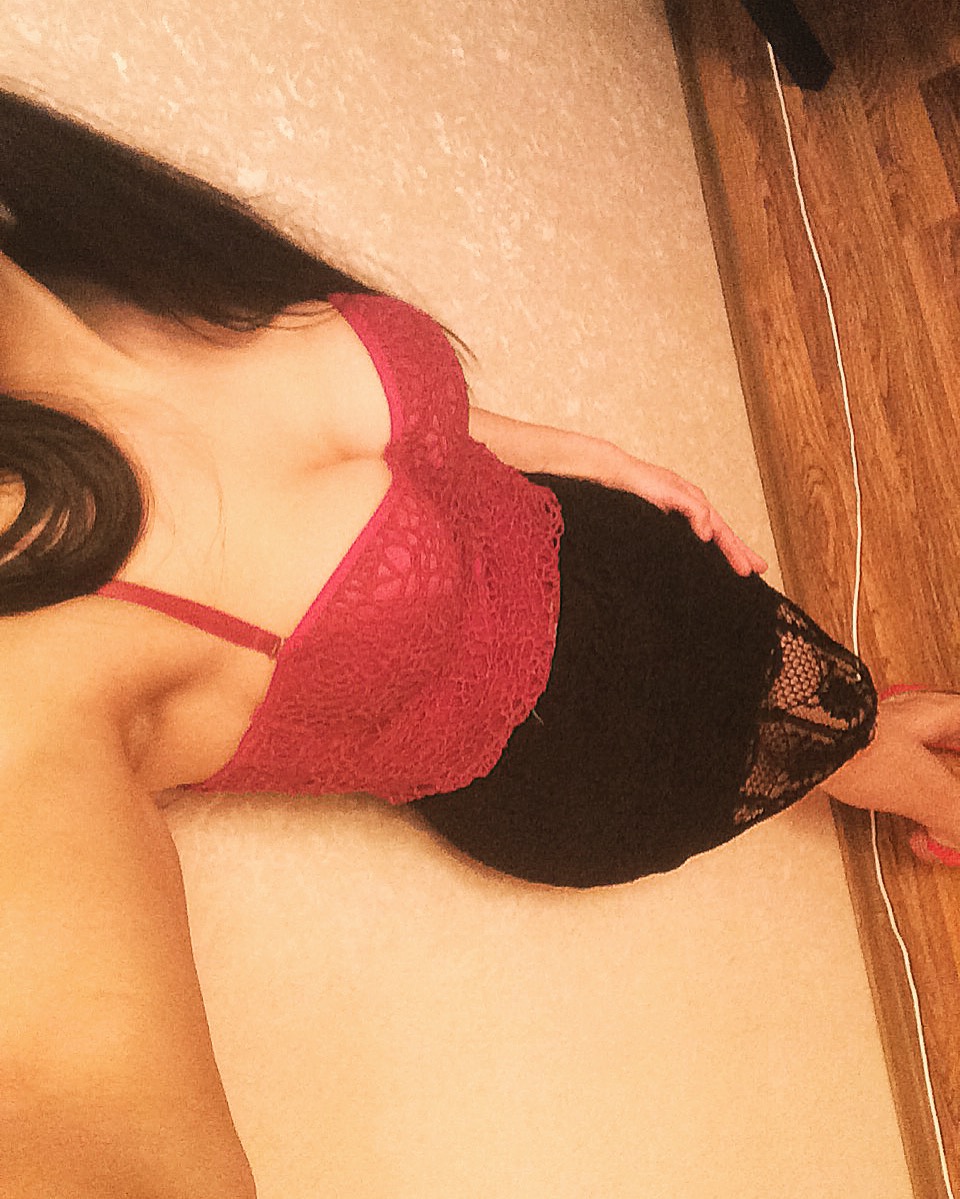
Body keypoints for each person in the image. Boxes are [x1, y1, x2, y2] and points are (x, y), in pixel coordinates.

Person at [1, 86, 959, 1197]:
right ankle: (912, 777)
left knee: (822, 699)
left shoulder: (56, 236)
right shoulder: (32, 682)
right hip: (584, 755)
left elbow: (410, 429)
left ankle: (882, 736)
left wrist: (588, 458)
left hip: (603, 543)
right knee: (817, 718)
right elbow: (99, 1125)